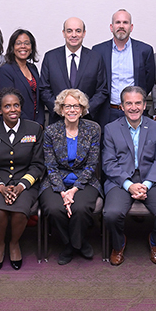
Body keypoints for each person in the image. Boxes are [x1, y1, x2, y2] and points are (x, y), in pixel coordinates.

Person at [102, 86, 156, 266]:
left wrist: (146, 185)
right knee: (111, 214)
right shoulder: (111, 129)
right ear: (121, 106)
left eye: (138, 103)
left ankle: (155, 242)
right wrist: (129, 185)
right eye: (129, 103)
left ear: (144, 105)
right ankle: (118, 244)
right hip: (121, 180)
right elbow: (108, 163)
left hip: (150, 180)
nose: (133, 107)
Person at [0, 88, 45, 272]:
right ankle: (0, 244)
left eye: (16, 105)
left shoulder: (33, 129)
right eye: (7, 106)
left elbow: (38, 165)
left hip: (26, 183)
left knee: (19, 212)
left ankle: (14, 244)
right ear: (0, 110)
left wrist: (21, 186)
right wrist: (0, 187)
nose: (12, 109)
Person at [39, 89, 102, 265]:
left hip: (84, 179)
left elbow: (91, 165)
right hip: (56, 179)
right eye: (68, 106)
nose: (72, 110)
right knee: (53, 208)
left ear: (82, 109)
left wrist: (73, 191)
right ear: (61, 109)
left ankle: (72, 245)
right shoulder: (51, 131)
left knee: (80, 208)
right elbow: (50, 166)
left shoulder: (93, 129)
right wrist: (62, 192)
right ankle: (76, 244)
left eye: (76, 106)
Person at [39, 17, 108, 125]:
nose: (74, 35)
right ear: (63, 33)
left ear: (84, 33)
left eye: (78, 31)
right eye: (69, 31)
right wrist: (60, 110)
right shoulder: (50, 57)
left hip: (87, 121)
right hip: (58, 122)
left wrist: (85, 109)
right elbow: (44, 89)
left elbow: (102, 90)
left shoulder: (95, 58)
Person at [92, 9, 155, 124]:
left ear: (131, 27)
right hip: (108, 112)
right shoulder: (98, 51)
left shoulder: (144, 50)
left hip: (135, 112)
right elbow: (96, 81)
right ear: (111, 27)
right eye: (118, 22)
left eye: (125, 23)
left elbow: (149, 81)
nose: (121, 26)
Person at [0, 29, 44, 125]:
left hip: (36, 124)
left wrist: (40, 123)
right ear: (12, 47)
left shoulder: (33, 68)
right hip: (16, 124)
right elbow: (8, 103)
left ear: (31, 48)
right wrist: (28, 124)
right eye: (18, 43)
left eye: (27, 43)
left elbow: (39, 98)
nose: (23, 46)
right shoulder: (5, 71)